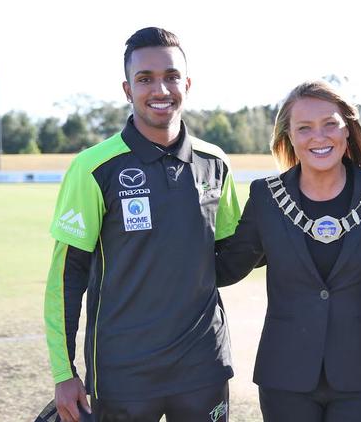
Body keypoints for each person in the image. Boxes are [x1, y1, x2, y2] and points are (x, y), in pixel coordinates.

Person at [43, 27, 240, 422]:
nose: (160, 89)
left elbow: (231, 258)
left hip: (203, 366)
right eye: (145, 79)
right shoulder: (94, 168)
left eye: (170, 77)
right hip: (123, 373)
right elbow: (66, 279)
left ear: (187, 83)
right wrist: (65, 374)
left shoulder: (214, 162)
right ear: (127, 89)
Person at [215, 81, 361, 422]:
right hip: (285, 373)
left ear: (348, 130)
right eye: (304, 128)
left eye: (330, 123)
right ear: (289, 136)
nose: (319, 137)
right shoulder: (266, 197)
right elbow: (227, 268)